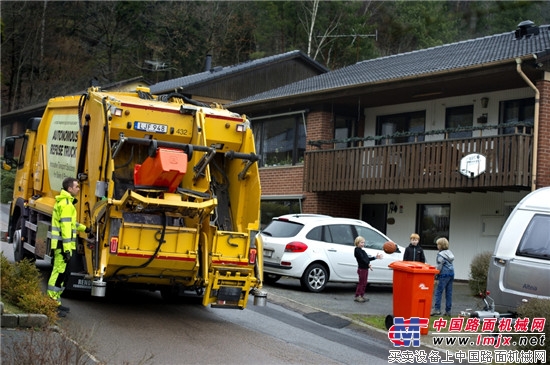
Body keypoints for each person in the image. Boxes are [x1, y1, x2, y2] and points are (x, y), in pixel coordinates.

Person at [47, 177, 90, 317]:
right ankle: (51, 303)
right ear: (69, 189)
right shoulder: (67, 205)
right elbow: (66, 229)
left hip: (61, 244)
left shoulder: (66, 203)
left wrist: (85, 229)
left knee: (61, 273)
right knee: (58, 273)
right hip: (63, 245)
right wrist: (66, 250)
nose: (78, 189)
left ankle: (55, 302)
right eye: (77, 187)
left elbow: (71, 224)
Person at [354, 236, 382, 303]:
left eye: (363, 242)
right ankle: (358, 296)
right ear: (357, 243)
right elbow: (362, 259)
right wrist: (368, 264)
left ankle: (362, 295)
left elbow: (367, 259)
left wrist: (375, 257)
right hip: (361, 269)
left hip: (365, 269)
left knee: (364, 283)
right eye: (361, 242)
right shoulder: (357, 250)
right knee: (361, 283)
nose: (363, 244)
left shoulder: (363, 251)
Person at [431, 237, 455, 316]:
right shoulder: (449, 253)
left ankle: (437, 309)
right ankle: (448, 311)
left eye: (438, 244)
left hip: (444, 274)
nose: (437, 246)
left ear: (441, 245)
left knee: (438, 292)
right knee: (449, 293)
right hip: (451, 273)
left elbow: (440, 266)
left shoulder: (440, 254)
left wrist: (435, 274)